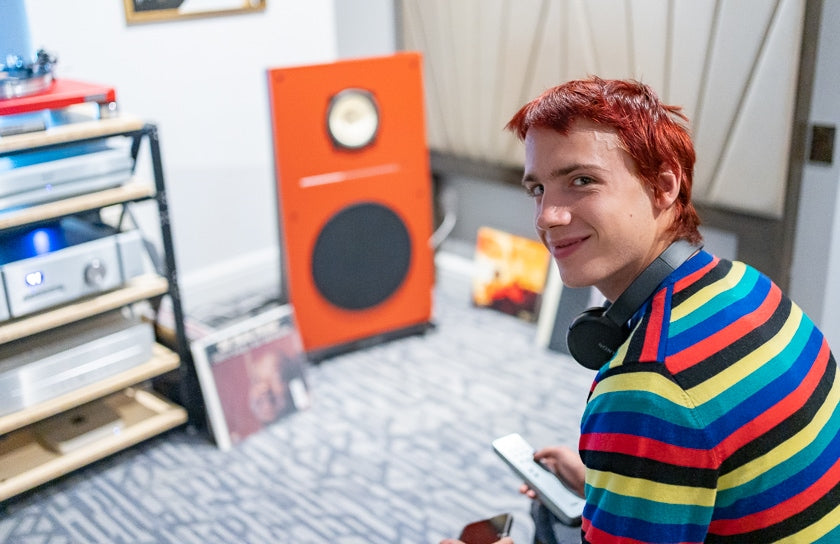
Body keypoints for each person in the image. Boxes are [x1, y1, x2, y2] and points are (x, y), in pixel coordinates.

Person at [442, 77, 840, 543]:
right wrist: (617, 478)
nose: (547, 216)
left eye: (582, 181)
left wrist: (634, 445)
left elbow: (669, 413)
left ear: (664, 186)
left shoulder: (648, 389)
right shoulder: (750, 285)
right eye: (538, 189)